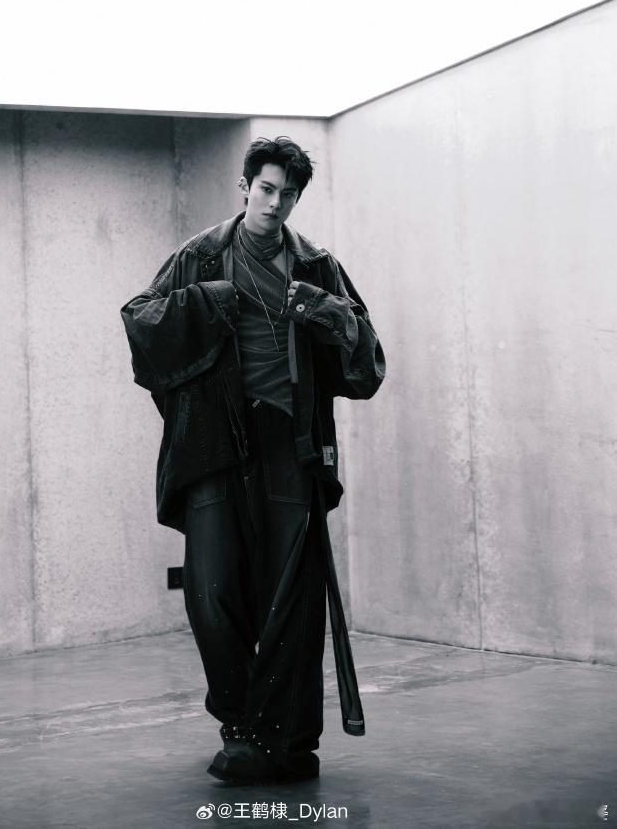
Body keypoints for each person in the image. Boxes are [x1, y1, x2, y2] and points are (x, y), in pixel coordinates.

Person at [120, 135, 385, 784]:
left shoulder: (317, 265)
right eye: (265, 189)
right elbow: (141, 321)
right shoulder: (200, 256)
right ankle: (241, 723)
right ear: (245, 187)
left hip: (291, 444)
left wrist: (325, 311)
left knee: (291, 600)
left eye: (287, 194)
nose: (275, 204)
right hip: (215, 441)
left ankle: (282, 739)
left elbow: (368, 360)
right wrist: (209, 300)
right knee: (211, 591)